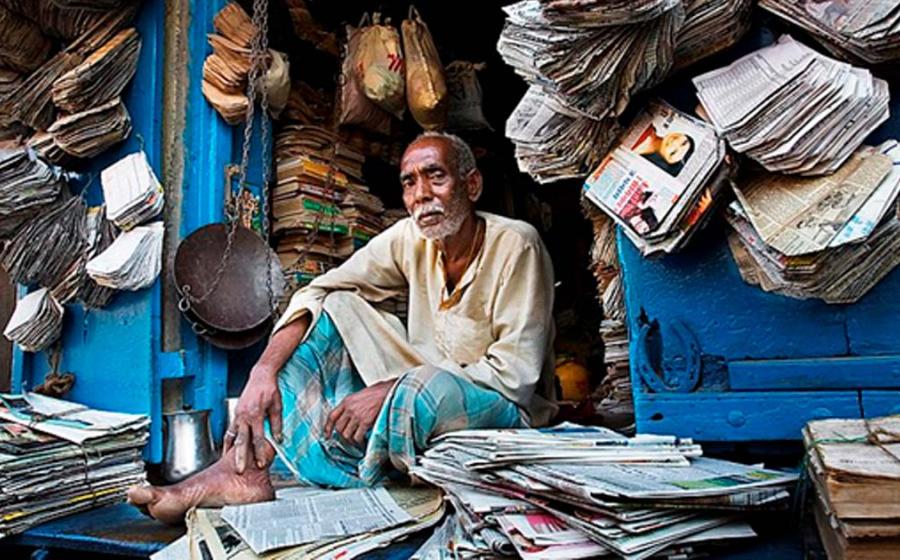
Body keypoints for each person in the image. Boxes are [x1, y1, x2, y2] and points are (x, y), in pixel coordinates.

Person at [128, 132, 557, 523]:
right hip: (421, 388)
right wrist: (263, 370)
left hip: (500, 408)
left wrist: (389, 388)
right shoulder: (412, 237)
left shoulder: (517, 244)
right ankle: (243, 471)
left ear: (472, 185)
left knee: (420, 390)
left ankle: (371, 472)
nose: (422, 194)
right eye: (409, 182)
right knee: (335, 306)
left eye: (436, 177)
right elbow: (321, 290)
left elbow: (513, 379)